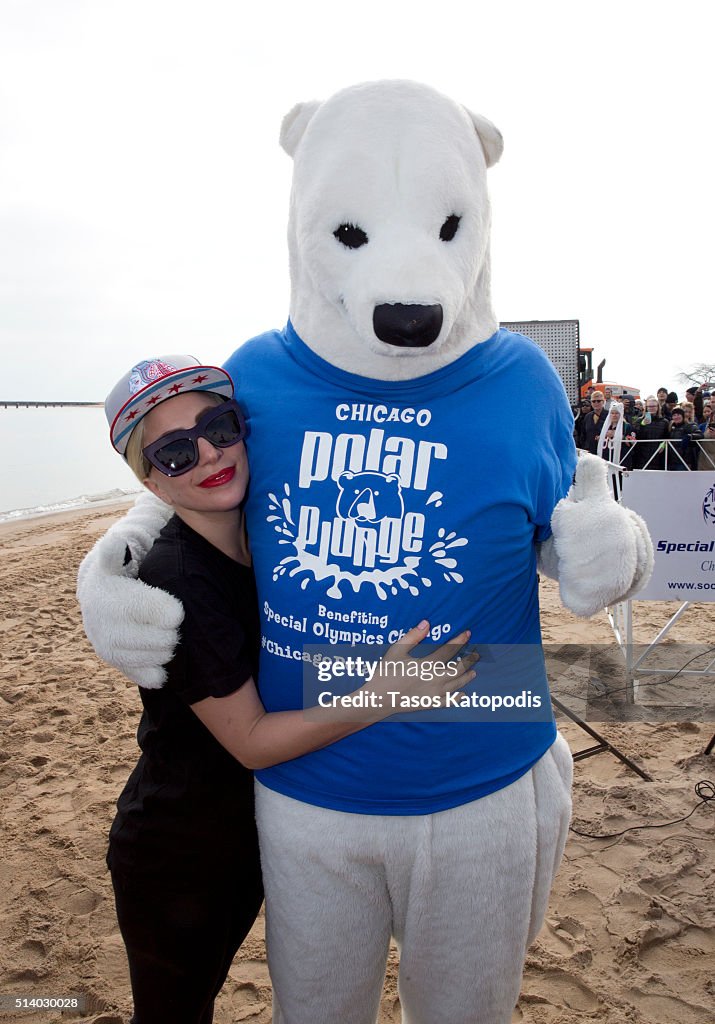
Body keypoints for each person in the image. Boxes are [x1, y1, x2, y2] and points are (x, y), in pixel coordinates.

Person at [100, 355, 476, 1024]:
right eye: (176, 452)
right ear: (152, 481)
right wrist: (383, 695)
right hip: (182, 849)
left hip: (264, 831)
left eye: (220, 425)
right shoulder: (177, 581)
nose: (211, 453)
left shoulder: (265, 530)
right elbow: (247, 742)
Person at [634, 395, 669, 469]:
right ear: (646, 408)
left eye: (653, 406)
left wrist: (664, 444)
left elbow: (667, 436)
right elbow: (636, 436)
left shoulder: (664, 422)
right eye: (649, 406)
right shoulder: (639, 420)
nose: (651, 408)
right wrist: (642, 425)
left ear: (658, 407)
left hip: (658, 455)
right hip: (642, 455)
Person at [667, 406, 701, 470]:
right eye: (674, 415)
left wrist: (690, 436)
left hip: (685, 461)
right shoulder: (671, 427)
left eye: (678, 414)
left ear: (683, 415)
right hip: (671, 461)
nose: (676, 417)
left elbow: (700, 435)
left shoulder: (690, 425)